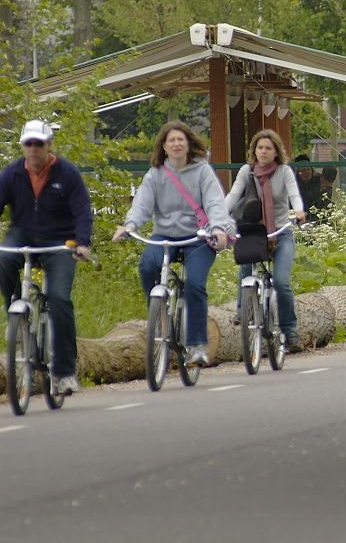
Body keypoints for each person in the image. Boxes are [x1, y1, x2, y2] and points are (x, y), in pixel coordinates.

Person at [115, 121, 231, 367]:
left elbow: (214, 202)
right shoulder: (155, 174)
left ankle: (198, 344)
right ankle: (159, 317)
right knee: (147, 267)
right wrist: (130, 226)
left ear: (188, 144)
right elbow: (142, 205)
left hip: (198, 237)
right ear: (163, 147)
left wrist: (219, 227)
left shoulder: (202, 171)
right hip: (164, 236)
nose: (177, 144)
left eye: (181, 140)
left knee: (195, 285)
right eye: (171, 141)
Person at [0, 120, 93, 394]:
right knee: (3, 259)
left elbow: (82, 211)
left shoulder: (67, 173)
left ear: (49, 145)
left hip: (59, 241)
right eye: (28, 144)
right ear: (22, 146)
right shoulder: (12, 173)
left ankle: (64, 372)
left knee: (59, 298)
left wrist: (82, 243)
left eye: (38, 143)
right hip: (23, 234)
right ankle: (17, 312)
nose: (33, 149)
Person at [224, 129, 306, 353]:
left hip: (281, 233)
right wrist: (219, 216)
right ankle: (243, 310)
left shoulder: (284, 171)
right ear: (254, 150)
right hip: (255, 232)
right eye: (260, 147)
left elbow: (294, 195)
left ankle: (290, 333)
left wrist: (298, 211)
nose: (263, 152)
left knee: (281, 282)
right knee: (246, 265)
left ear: (276, 151)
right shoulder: (246, 171)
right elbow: (233, 195)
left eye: (268, 148)